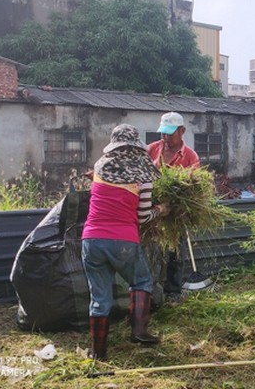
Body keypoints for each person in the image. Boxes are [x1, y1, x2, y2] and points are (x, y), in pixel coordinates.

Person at [82, 124, 170, 360]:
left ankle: (98, 353)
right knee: (141, 280)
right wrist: (160, 210)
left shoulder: (100, 166)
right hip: (123, 240)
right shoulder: (145, 174)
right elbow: (142, 216)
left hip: (91, 240)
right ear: (136, 145)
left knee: (99, 298)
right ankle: (139, 331)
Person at [146, 112, 200, 305]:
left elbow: (194, 188)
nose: (165, 137)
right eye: (163, 133)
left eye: (170, 133)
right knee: (151, 252)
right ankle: (149, 291)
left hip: (175, 215)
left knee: (175, 252)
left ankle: (173, 292)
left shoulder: (190, 156)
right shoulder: (152, 149)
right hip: (151, 212)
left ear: (182, 131)